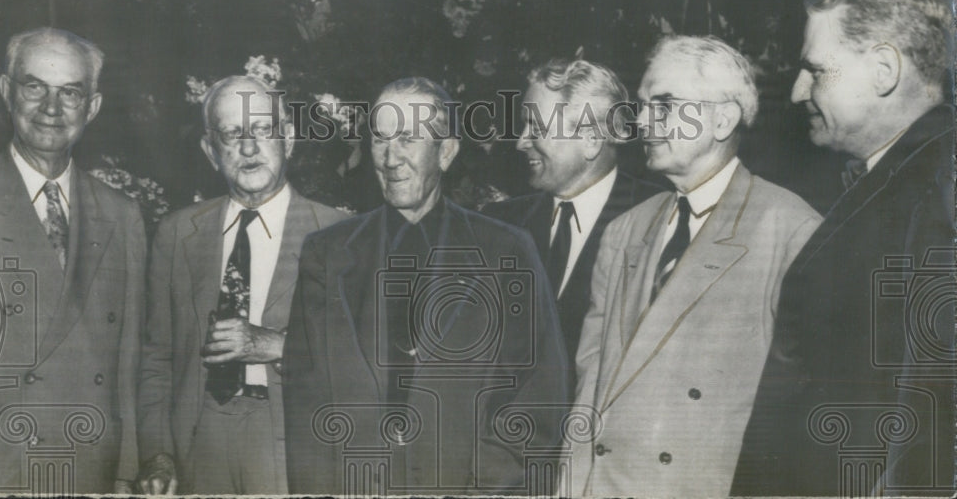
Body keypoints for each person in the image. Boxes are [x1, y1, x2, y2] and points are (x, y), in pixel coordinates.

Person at [282, 77, 570, 495]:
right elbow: (305, 403)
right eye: (380, 139)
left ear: (447, 151)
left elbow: (541, 392)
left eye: (407, 139)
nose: (390, 158)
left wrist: (482, 487)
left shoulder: (506, 251)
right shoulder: (326, 253)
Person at [733, 0, 956, 497]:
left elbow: (929, 408)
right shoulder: (897, 176)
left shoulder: (941, 182)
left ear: (884, 69)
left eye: (815, 70)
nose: (795, 91)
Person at [569, 36, 821, 497]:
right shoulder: (624, 231)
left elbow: (795, 420)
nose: (642, 122)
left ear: (722, 119)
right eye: (642, 106)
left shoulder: (791, 231)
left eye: (663, 105)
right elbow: (589, 390)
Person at [136, 76, 348, 494]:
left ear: (288, 138)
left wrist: (274, 345)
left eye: (264, 129)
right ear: (210, 151)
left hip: (294, 442)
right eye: (232, 133)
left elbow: (362, 361)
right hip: (198, 442)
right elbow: (156, 357)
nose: (249, 148)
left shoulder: (339, 234)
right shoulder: (177, 234)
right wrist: (158, 452)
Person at [0, 27, 146, 494]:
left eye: (70, 92)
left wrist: (126, 471)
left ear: (91, 107)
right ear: (7, 92)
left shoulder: (122, 214)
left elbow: (128, 361)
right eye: (35, 87)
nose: (51, 109)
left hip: (91, 464)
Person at [483, 59, 664, 374]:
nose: (520, 141)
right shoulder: (500, 222)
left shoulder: (659, 219)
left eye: (536, 128)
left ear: (591, 140)